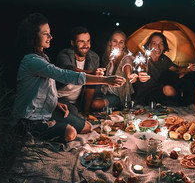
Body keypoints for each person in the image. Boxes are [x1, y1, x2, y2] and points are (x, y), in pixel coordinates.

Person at [10, 13, 125, 143]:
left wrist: (56, 103)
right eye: (45, 34)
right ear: (33, 35)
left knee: (87, 127)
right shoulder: (32, 60)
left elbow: (44, 90)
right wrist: (106, 79)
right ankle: (26, 132)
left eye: (50, 33)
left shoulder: (44, 57)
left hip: (49, 110)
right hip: (30, 118)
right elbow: (66, 74)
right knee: (70, 133)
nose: (50, 37)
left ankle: (52, 123)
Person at [91, 30, 150, 111]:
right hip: (105, 89)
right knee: (90, 85)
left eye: (121, 42)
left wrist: (129, 75)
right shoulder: (108, 56)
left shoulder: (126, 57)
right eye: (115, 41)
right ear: (110, 43)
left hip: (118, 96)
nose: (117, 45)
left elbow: (127, 64)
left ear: (124, 45)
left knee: (96, 104)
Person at [133, 32, 195, 106]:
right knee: (168, 89)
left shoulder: (164, 59)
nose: (158, 47)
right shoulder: (143, 58)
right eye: (154, 43)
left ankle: (185, 101)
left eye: (161, 44)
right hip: (145, 94)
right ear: (149, 45)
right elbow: (141, 66)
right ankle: (183, 101)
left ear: (164, 45)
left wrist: (188, 69)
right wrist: (141, 72)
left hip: (158, 90)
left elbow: (176, 70)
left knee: (181, 79)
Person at [56, 26, 105, 116]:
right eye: (81, 41)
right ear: (72, 43)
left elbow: (90, 87)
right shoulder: (64, 54)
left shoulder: (94, 57)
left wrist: (86, 112)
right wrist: (93, 74)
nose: (86, 45)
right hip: (58, 97)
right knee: (73, 112)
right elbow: (70, 70)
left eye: (88, 41)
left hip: (77, 101)